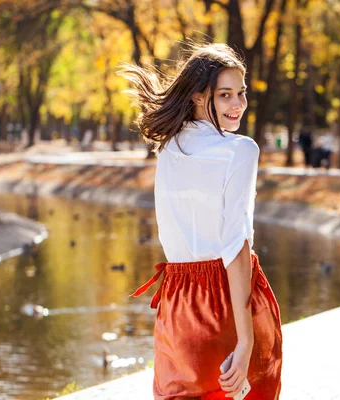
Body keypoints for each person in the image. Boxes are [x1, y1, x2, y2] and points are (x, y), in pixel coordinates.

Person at [120, 43, 282, 400]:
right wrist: (245, 340)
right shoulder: (241, 150)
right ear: (197, 96)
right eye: (225, 95)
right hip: (228, 298)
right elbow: (235, 246)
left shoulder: (168, 148)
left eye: (241, 93)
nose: (237, 104)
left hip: (176, 302)